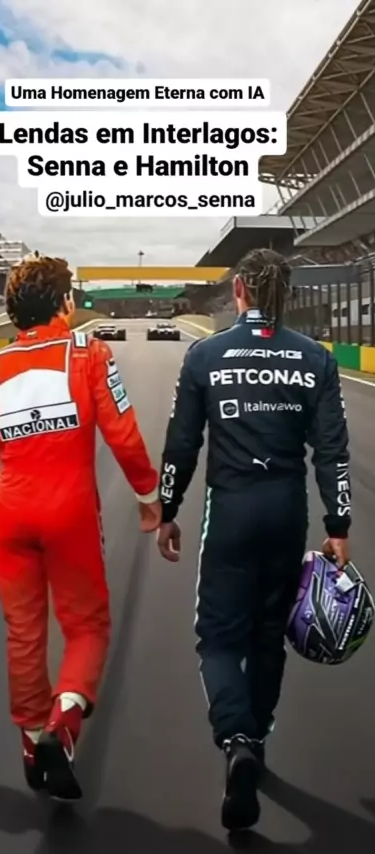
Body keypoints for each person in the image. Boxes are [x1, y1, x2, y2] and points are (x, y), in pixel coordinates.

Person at [156, 248, 351, 831]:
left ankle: (236, 738)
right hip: (287, 511)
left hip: (231, 511)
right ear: (284, 294)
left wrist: (168, 509)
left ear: (238, 289)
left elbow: (182, 443)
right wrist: (338, 525)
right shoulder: (315, 357)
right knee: (270, 634)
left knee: (218, 638)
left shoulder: (205, 354)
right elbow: (333, 450)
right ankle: (257, 739)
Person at [0, 254, 161, 800]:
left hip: (11, 515)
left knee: (24, 634)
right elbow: (123, 433)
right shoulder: (88, 354)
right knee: (88, 626)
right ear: (64, 303)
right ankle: (64, 721)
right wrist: (148, 496)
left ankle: (30, 745)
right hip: (70, 513)